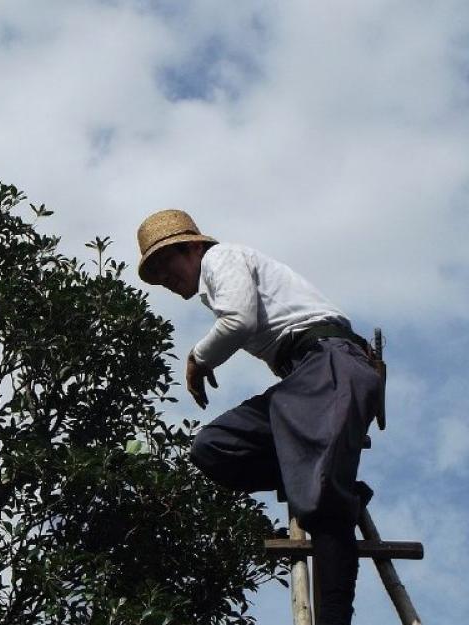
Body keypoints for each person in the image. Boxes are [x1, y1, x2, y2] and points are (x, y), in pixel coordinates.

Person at [136, 209, 383, 625]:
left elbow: (239, 320)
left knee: (322, 503)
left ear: (195, 245)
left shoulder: (222, 258)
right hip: (305, 377)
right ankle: (326, 479)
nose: (166, 278)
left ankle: (334, 610)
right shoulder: (219, 277)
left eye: (167, 263)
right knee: (213, 447)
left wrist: (197, 359)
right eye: (156, 274)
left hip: (329, 364)